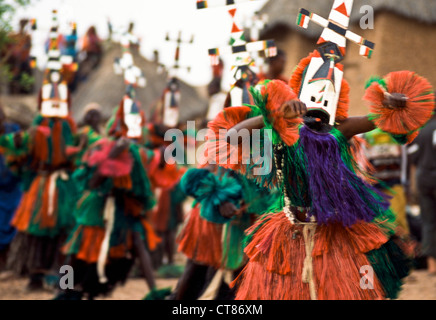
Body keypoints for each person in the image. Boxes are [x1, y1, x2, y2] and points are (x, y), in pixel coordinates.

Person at [204, 2, 435, 299]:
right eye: (314, 91)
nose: (320, 98)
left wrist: (393, 105)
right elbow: (232, 135)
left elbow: (378, 119)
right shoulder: (285, 131)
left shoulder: (340, 130)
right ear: (300, 92)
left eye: (329, 91)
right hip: (289, 232)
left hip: (334, 233)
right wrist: (273, 114)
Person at [408, 111, 436, 275]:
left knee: (428, 221)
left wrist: (413, 188)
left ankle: (432, 266)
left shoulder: (421, 131)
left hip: (424, 179)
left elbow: (413, 160)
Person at [0, 105, 22, 271]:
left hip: (14, 185)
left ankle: (10, 262)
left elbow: (23, 151)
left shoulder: (13, 130)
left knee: (14, 220)